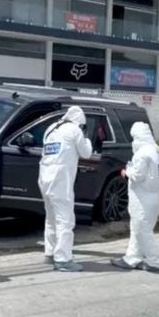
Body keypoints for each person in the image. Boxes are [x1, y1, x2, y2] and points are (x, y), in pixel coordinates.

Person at [38, 106, 93, 272]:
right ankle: (63, 259)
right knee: (65, 220)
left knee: (51, 218)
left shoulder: (51, 128)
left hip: (45, 177)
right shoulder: (74, 130)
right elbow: (86, 153)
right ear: (80, 122)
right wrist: (88, 140)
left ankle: (50, 252)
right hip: (60, 181)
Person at [111, 122, 159, 273]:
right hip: (154, 195)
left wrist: (126, 172)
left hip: (142, 197)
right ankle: (132, 257)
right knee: (138, 228)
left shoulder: (143, 153)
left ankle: (154, 261)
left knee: (142, 230)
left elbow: (138, 176)